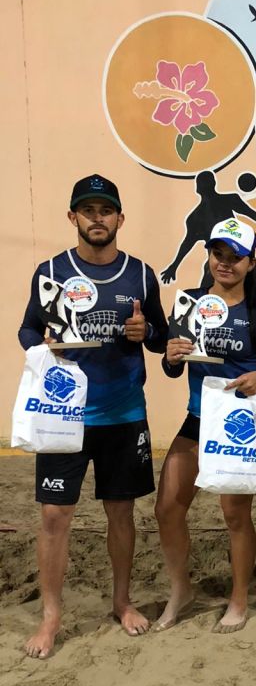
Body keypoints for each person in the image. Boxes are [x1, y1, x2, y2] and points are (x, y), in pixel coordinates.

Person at [18, 175, 168, 658]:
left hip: (123, 413)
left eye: (106, 211)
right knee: (54, 516)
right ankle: (51, 618)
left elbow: (162, 338)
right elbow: (27, 330)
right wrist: (43, 347)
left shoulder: (141, 274)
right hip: (63, 416)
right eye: (88, 210)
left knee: (120, 513)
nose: (97, 219)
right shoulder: (51, 271)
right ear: (73, 217)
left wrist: (147, 332)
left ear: (120, 218)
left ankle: (122, 602)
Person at [154, 219, 256, 633]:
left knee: (234, 514)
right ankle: (181, 591)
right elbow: (172, 369)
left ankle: (239, 599)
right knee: (167, 508)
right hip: (198, 418)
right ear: (209, 256)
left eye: (235, 257)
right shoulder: (189, 303)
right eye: (218, 254)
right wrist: (171, 355)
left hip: (240, 421)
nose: (225, 263)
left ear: (251, 264)